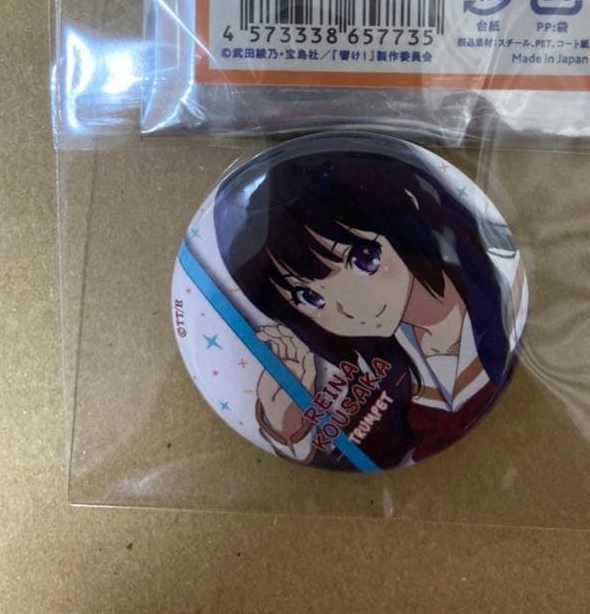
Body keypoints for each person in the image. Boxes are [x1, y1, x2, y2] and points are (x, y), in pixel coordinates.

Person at [213, 134, 523, 470]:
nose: (351, 309)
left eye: (363, 259)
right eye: (310, 297)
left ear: (407, 207)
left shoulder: (506, 280)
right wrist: (287, 424)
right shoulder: (384, 364)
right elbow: (366, 456)